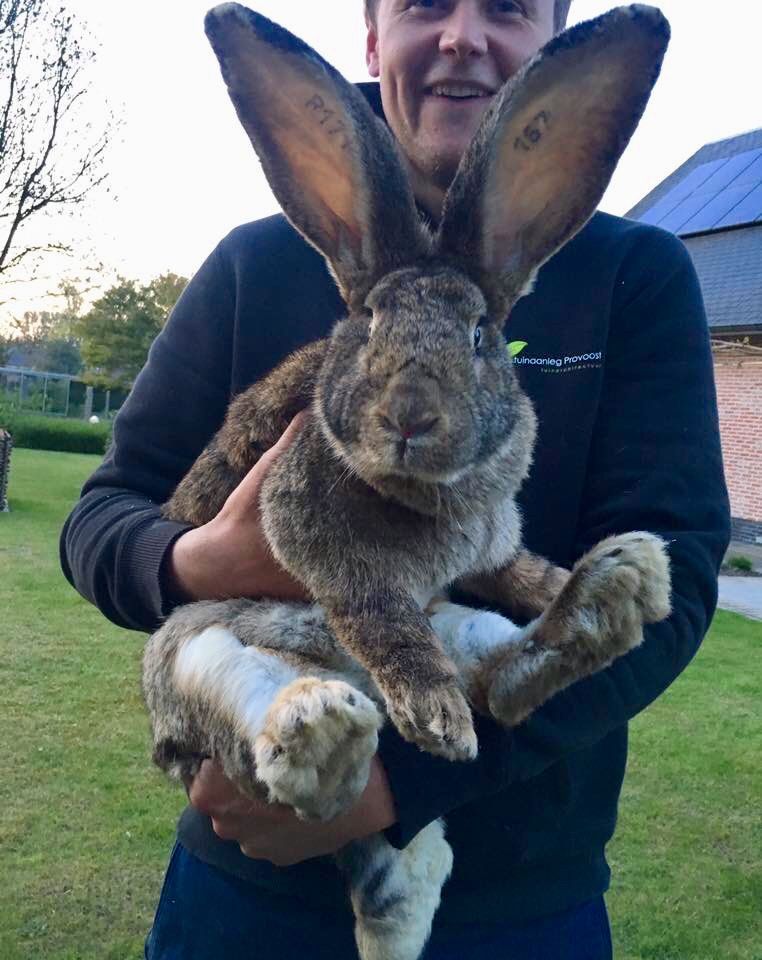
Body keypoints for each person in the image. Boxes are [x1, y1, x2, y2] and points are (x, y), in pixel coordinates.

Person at [60, 1, 730, 958]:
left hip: (516, 902)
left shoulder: (638, 275)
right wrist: (206, 561)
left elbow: (674, 571)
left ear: (554, 41)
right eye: (425, 4)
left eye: (506, 6)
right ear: (374, 40)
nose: (464, 36)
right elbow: (100, 520)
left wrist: (393, 791)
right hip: (248, 883)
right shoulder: (253, 262)